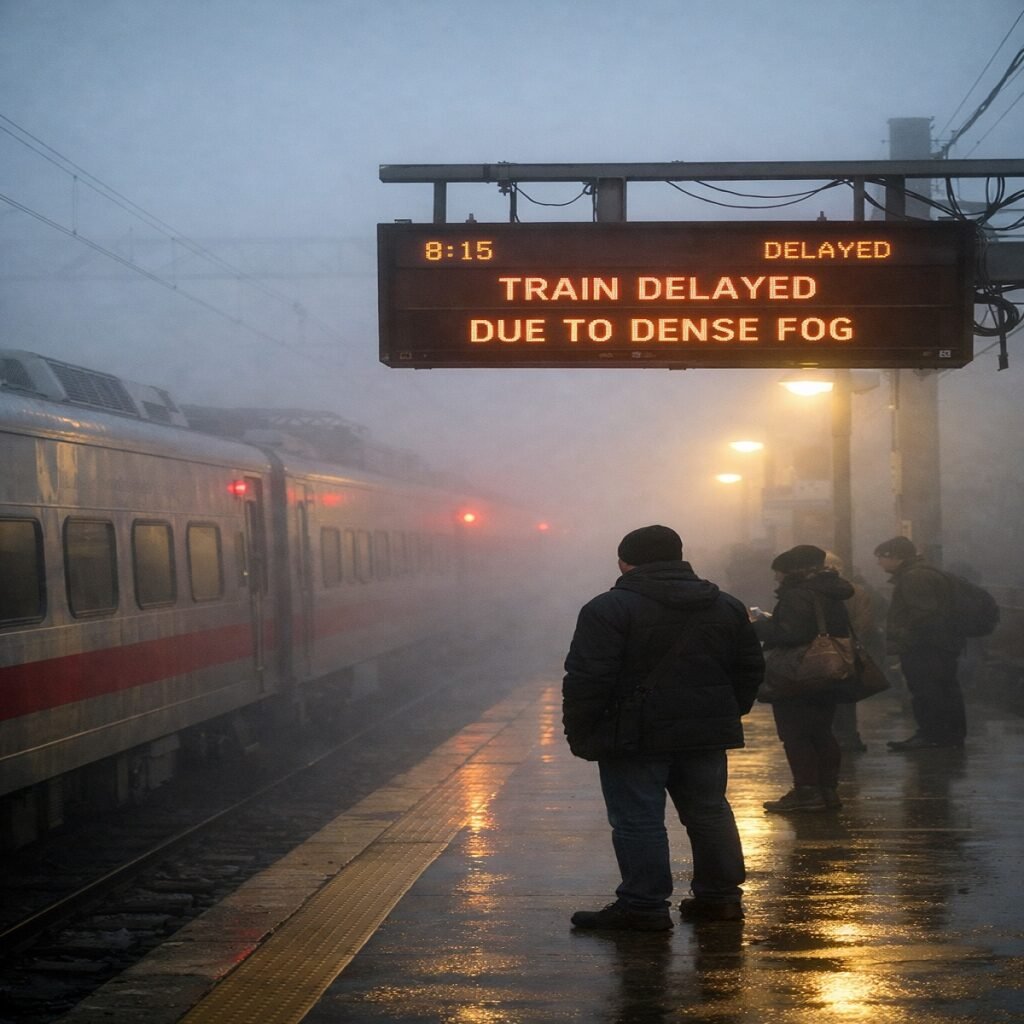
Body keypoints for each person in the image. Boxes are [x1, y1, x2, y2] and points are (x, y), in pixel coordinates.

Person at [562, 525, 764, 931]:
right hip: (705, 734)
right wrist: (723, 712)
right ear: (679, 558)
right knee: (709, 814)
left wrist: (580, 729)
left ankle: (644, 906)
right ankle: (720, 899)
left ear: (624, 561)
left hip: (633, 734)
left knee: (638, 819)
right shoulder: (725, 605)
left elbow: (588, 677)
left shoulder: (607, 609)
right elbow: (749, 669)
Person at [754, 544, 854, 813]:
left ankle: (807, 791)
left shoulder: (797, 595)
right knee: (822, 732)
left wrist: (761, 626)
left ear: (792, 571)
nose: (777, 578)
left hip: (799, 674)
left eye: (779, 573)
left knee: (796, 734)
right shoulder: (831, 591)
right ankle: (827, 790)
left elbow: (791, 634)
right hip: (828, 670)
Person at [874, 536, 965, 750]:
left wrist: (905, 638)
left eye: (881, 557)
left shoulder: (914, 578)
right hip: (940, 645)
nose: (879, 563)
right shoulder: (923, 573)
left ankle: (931, 735)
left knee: (927, 692)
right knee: (945, 690)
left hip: (925, 648)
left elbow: (923, 614)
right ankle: (949, 736)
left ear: (895, 557)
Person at [823, 551, 877, 753]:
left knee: (830, 697)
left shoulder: (818, 592)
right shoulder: (857, 591)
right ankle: (848, 736)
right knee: (845, 698)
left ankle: (838, 736)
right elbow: (864, 623)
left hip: (826, 652)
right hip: (847, 651)